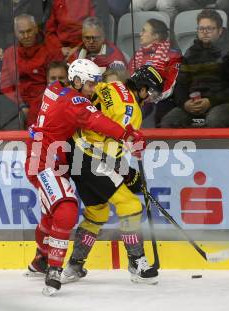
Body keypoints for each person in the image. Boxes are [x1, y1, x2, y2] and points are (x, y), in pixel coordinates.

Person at [24, 58, 146, 296]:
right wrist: (127, 133)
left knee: (50, 220)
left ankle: (41, 260)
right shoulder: (76, 100)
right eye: (90, 84)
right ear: (77, 80)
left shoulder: (54, 90)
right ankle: (54, 272)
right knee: (66, 209)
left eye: (96, 83)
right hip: (46, 163)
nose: (93, 89)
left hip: (44, 159)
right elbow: (96, 120)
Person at [59, 65, 164, 286]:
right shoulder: (132, 112)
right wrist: (127, 173)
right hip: (91, 158)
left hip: (75, 152)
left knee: (97, 212)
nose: (151, 98)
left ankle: (74, 266)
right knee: (130, 206)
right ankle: (137, 262)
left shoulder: (114, 86)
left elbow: (90, 102)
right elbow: (109, 150)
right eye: (152, 92)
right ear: (143, 88)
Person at [161, 9, 229, 128]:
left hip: (225, 103)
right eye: (201, 29)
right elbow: (180, 85)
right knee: (168, 121)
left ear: (220, 31)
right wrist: (185, 103)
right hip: (193, 105)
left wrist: (210, 101)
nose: (205, 32)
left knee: (214, 120)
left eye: (210, 28)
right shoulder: (190, 53)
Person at [0, 13, 63, 127]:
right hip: (16, 104)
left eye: (29, 31)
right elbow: (6, 86)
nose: (26, 36)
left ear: (36, 29)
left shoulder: (51, 50)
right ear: (15, 33)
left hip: (44, 102)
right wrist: (20, 105)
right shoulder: (10, 53)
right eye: (21, 32)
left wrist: (36, 105)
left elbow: (57, 82)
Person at [129, 18, 182, 127]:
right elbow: (128, 76)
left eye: (144, 31)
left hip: (161, 101)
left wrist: (153, 96)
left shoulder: (172, 55)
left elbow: (171, 84)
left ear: (155, 36)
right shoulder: (138, 54)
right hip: (137, 98)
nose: (140, 34)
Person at [44, 0, 111, 57]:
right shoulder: (56, 1)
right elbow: (49, 31)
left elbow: (98, 31)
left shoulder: (95, 2)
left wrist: (78, 49)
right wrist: (59, 49)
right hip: (60, 49)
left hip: (87, 48)